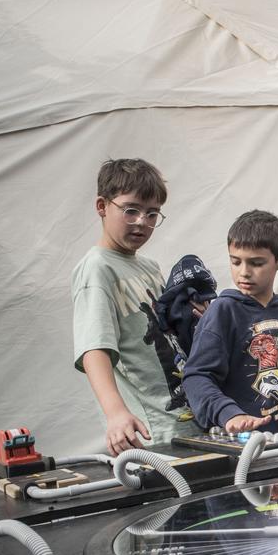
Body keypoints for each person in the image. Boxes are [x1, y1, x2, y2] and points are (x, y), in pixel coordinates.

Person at [73, 158, 191, 455]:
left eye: (152, 214)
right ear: (102, 206)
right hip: (150, 431)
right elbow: (94, 348)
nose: (142, 221)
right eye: (131, 210)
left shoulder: (150, 268)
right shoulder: (97, 268)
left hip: (187, 419)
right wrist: (115, 413)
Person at [182, 210, 278, 445]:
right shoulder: (222, 312)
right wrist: (228, 412)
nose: (244, 272)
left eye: (256, 263)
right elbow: (196, 377)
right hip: (248, 451)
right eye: (235, 261)